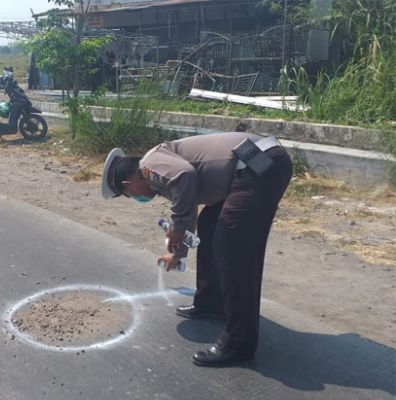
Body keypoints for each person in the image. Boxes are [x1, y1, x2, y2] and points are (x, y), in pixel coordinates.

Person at [101, 132, 292, 367]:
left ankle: (239, 343)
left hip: (258, 165)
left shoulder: (148, 166)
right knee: (211, 229)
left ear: (128, 185)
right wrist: (178, 252)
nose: (137, 198)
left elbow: (185, 177)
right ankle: (212, 301)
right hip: (247, 169)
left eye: (130, 195)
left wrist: (178, 231)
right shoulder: (158, 177)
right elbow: (187, 210)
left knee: (233, 248)